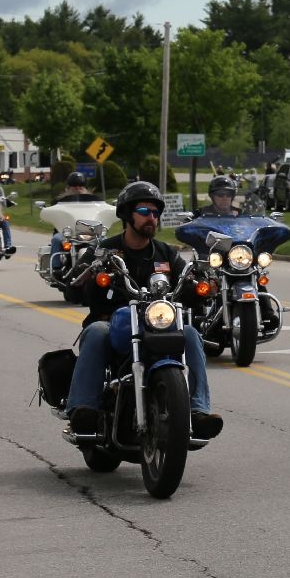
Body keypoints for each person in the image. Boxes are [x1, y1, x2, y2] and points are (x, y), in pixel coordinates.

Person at [64, 182, 222, 442]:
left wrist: (204, 287)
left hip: (158, 323)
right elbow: (75, 283)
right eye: (144, 211)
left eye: (155, 213)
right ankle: (83, 408)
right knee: (96, 332)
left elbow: (188, 286)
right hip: (113, 322)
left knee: (191, 334)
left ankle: (198, 411)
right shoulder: (105, 250)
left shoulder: (166, 253)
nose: (152, 218)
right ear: (127, 214)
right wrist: (89, 274)